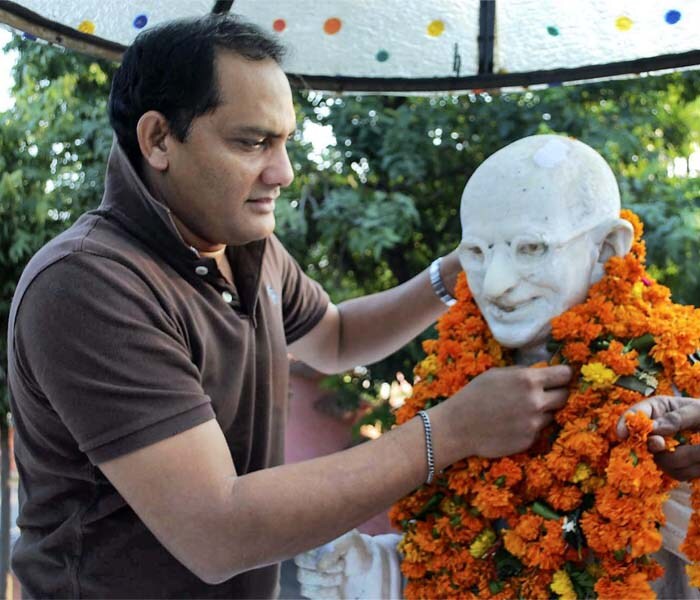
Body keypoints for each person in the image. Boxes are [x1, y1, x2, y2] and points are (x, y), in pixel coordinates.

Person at [5, 16, 572, 599]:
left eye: (285, 142)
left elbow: (337, 338)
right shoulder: (88, 282)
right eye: (252, 142)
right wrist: (449, 431)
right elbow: (216, 529)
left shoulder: (244, 244)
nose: (283, 173)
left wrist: (457, 272)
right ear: (157, 141)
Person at [296, 134, 699, 599]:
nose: (498, 285)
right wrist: (380, 570)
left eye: (529, 249)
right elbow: (469, 549)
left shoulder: (675, 376)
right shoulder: (461, 377)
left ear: (608, 247)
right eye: (478, 253)